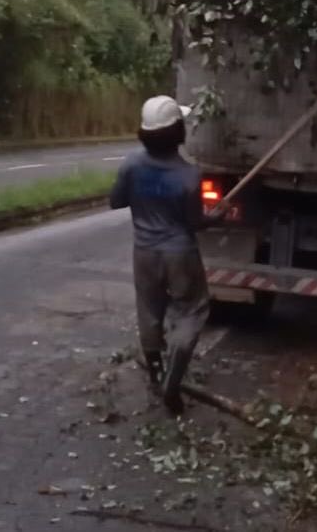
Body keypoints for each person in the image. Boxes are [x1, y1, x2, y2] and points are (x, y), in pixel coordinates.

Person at [109, 95, 211, 415]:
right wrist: (217, 215)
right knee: (191, 311)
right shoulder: (190, 175)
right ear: (178, 131)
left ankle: (155, 373)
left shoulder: (131, 164)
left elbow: (116, 201)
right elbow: (196, 223)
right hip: (180, 253)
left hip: (145, 251)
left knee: (149, 311)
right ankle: (173, 378)